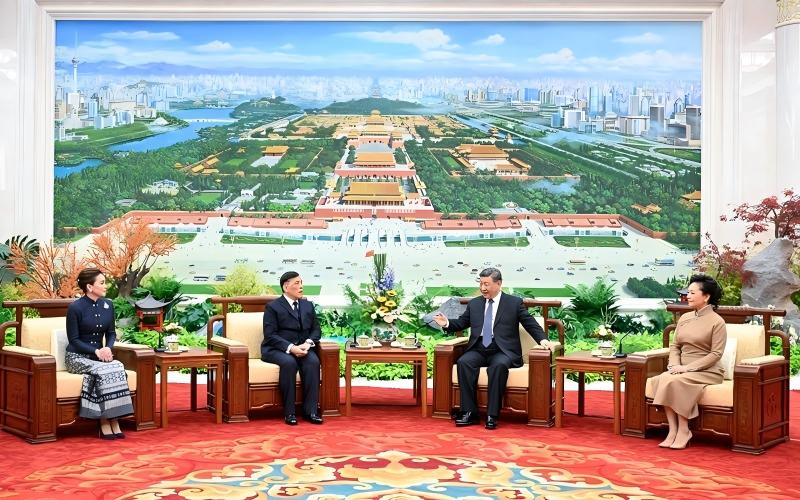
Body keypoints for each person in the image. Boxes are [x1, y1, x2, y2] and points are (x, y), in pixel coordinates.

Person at [433, 268, 552, 430]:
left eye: (487, 284)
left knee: (498, 366)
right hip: (479, 348)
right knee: (464, 362)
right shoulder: (475, 304)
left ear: (499, 283)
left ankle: (492, 414)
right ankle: (469, 412)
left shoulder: (513, 303)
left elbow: (530, 323)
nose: (483, 288)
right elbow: (461, 323)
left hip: (503, 350)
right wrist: (446, 323)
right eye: (481, 284)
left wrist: (543, 339)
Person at [649, 274, 727, 449]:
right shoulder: (684, 318)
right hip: (681, 368)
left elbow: (716, 354)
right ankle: (673, 430)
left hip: (708, 370)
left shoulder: (717, 322)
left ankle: (684, 430)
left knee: (675, 381)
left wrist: (687, 368)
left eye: (692, 293)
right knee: (664, 378)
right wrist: (674, 365)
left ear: (706, 297)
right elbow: (675, 345)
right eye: (687, 292)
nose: (687, 296)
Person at [65, 268, 133, 439]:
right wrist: (96, 351)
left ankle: (114, 418)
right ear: (89, 287)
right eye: (102, 283)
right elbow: (74, 340)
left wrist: (108, 348)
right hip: (76, 357)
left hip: (98, 357)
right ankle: (104, 420)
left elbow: (111, 333)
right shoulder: (75, 308)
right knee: (104, 370)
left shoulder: (108, 305)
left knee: (118, 367)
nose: (105, 286)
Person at [262, 271, 323, 425]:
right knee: (289, 363)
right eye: (297, 283)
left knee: (313, 362)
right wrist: (291, 348)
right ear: (286, 287)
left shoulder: (307, 305)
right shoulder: (273, 307)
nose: (301, 286)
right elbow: (270, 335)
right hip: (277, 349)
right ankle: (289, 413)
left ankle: (311, 412)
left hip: (303, 347)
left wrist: (308, 343)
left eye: (301, 283)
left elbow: (316, 330)